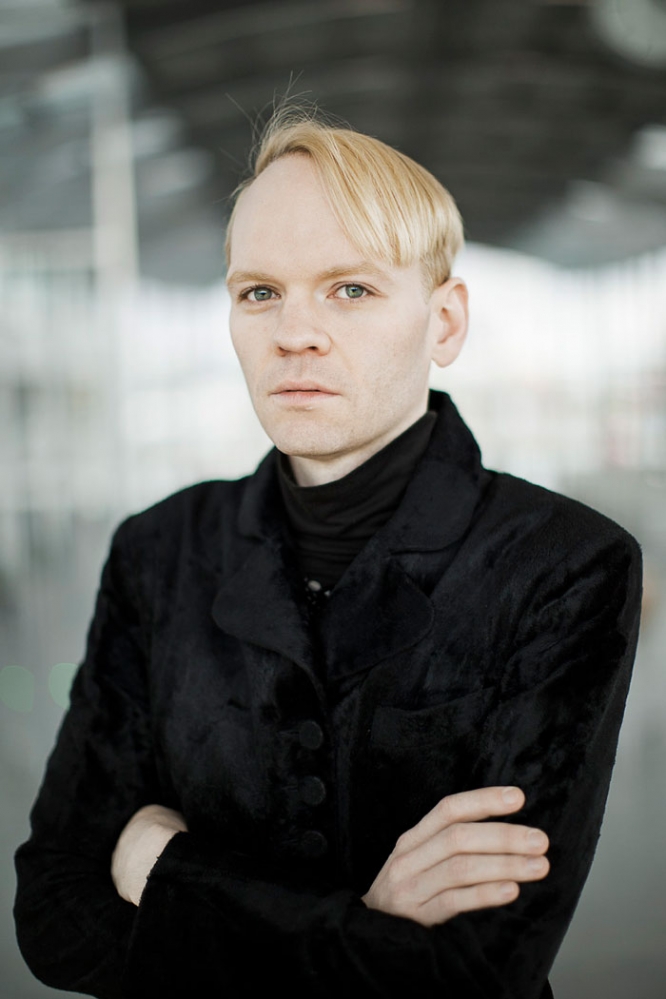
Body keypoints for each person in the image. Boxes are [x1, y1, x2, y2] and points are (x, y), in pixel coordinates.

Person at [14, 110, 642, 999]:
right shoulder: (158, 551)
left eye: (349, 289)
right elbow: (52, 913)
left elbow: (475, 970)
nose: (293, 332)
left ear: (445, 322)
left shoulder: (563, 566)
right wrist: (364, 920)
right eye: (259, 292)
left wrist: (164, 868)